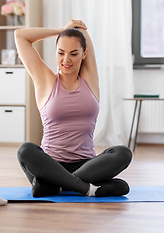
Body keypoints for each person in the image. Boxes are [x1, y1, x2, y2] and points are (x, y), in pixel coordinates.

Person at [14, 19, 132, 197]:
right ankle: (85, 188)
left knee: (123, 153)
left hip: (87, 166)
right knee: (25, 150)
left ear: (84, 54)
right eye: (61, 53)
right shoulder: (45, 80)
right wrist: (60, 30)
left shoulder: (90, 80)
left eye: (73, 54)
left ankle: (59, 187)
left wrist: (78, 28)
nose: (66, 59)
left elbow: (84, 34)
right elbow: (20, 36)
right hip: (49, 166)